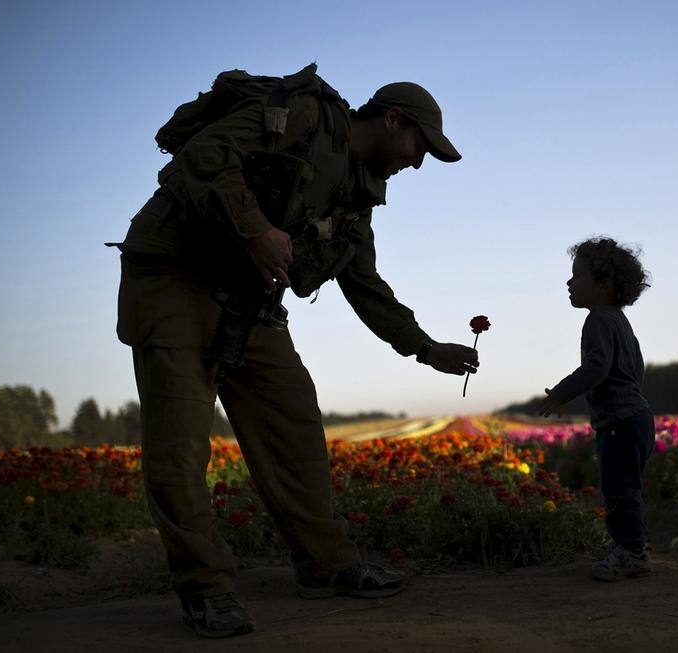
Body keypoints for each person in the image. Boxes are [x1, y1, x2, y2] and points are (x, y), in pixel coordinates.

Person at [110, 64, 479, 638]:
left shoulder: (357, 200)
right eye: (419, 146)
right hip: (173, 283)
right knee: (179, 451)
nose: (418, 161)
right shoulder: (303, 116)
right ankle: (206, 588)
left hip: (248, 303)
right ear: (393, 119)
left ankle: (327, 568)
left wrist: (426, 349)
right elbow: (203, 155)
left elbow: (366, 287)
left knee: (297, 428)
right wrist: (256, 229)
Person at [536, 237, 654, 581]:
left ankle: (632, 554)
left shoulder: (598, 320)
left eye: (577, 276)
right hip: (636, 417)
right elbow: (636, 368)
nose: (569, 283)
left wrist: (561, 393)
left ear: (603, 284)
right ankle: (630, 545)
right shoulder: (618, 320)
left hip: (619, 421)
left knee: (619, 489)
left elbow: (596, 368)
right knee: (627, 487)